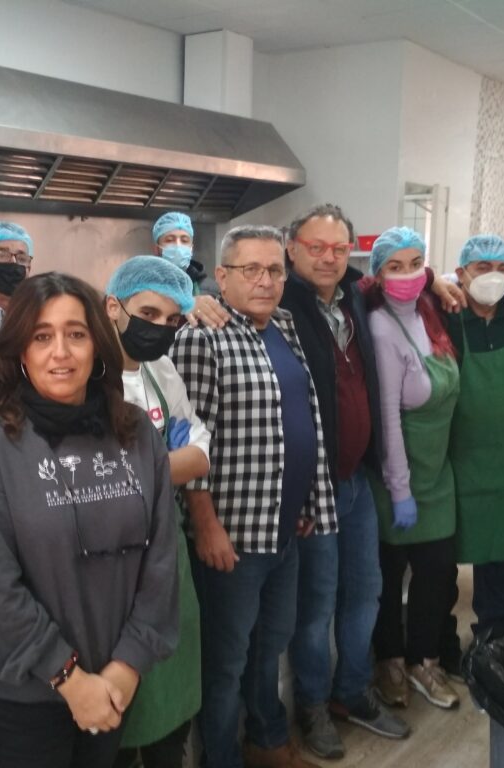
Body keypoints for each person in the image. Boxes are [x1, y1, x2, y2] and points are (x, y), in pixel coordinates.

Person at [0, 272, 179, 768]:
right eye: (42, 336)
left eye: (76, 334)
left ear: (98, 344)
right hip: (29, 694)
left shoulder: (136, 432)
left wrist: (126, 666)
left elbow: (161, 559)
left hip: (116, 679)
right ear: (20, 353)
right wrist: (68, 679)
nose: (61, 352)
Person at [171, 224, 336, 768]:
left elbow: (300, 421)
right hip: (233, 535)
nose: (266, 281)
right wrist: (206, 524)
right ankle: (220, 758)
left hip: (283, 529)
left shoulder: (284, 325)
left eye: (274, 270)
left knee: (270, 646)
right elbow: (192, 437)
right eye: (251, 270)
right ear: (222, 277)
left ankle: (266, 741)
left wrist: (307, 504)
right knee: (225, 661)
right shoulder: (203, 336)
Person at [280, 204, 410, 760]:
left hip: (358, 480)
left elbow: (407, 284)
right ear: (293, 250)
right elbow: (222, 290)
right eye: (316, 247)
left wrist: (446, 285)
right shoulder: (279, 301)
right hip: (314, 487)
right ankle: (311, 704)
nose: (328, 257)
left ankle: (352, 691)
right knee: (317, 603)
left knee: (367, 591)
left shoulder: (356, 294)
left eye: (338, 248)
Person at [104, 255, 210, 768]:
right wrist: (173, 460)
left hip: (168, 550)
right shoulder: (85, 376)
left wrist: (170, 461)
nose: (160, 330)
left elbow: (200, 441)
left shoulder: (161, 368)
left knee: (171, 711)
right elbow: (97, 482)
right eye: (148, 313)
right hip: (108, 564)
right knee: (120, 709)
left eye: (172, 321)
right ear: (113, 307)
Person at [367, 227, 462, 712]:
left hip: (438, 475)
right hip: (397, 474)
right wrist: (400, 488)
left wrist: (441, 281)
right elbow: (387, 417)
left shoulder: (432, 313)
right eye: (394, 266)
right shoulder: (382, 328)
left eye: (416, 263)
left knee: (436, 574)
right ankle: (390, 663)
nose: (407, 274)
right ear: (378, 275)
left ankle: (427, 662)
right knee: (388, 578)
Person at [443, 235, 504, 640]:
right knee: (441, 561)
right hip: (453, 464)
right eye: (482, 268)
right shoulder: (443, 317)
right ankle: (437, 643)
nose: (492, 277)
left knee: (503, 556)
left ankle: (495, 638)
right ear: (461, 273)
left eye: (502, 269)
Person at [152, 211, 219, 297]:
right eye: (170, 240)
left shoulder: (211, 290)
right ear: (157, 249)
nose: (178, 246)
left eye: (184, 241)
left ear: (191, 249)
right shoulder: (144, 287)